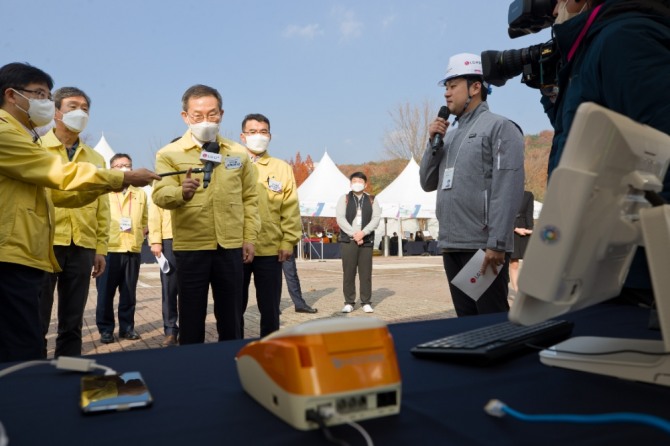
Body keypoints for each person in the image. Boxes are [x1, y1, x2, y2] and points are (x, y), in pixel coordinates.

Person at [0, 62, 159, 362]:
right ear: (12, 95)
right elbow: (58, 174)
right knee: (24, 340)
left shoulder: (79, 152)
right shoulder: (7, 134)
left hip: (44, 249)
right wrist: (122, 177)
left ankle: (58, 378)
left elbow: (58, 196)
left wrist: (109, 188)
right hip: (13, 254)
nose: (45, 103)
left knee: (59, 325)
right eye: (41, 95)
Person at [543, 0, 670, 306]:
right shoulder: (603, 42)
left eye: (556, 1)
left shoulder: (624, 38)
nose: (552, 11)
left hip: (636, 280)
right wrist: (552, 93)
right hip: (613, 274)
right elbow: (581, 137)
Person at [152, 84, 259, 344]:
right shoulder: (169, 154)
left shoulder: (237, 153)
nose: (205, 121)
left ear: (221, 114)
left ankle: (232, 365)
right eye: (198, 116)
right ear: (185, 117)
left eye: (212, 114)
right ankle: (193, 372)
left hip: (230, 246)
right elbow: (159, 195)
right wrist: (181, 193)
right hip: (191, 248)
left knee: (232, 317)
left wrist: (249, 237)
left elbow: (251, 198)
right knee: (191, 318)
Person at [419, 53, 524, 317]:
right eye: (446, 87)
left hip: (483, 247)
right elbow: (427, 182)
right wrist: (432, 143)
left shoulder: (500, 127)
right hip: (452, 244)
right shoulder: (448, 136)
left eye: (453, 85)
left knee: (490, 321)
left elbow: (507, 187)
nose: (446, 93)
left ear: (475, 87)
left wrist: (497, 243)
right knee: (466, 321)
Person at [38, 87, 111, 358]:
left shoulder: (95, 158)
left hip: (82, 245)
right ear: (56, 111)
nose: (80, 112)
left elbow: (103, 206)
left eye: (84, 108)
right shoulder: (37, 149)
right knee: (38, 316)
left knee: (73, 319)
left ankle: (67, 370)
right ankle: (36, 372)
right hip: (43, 244)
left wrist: (101, 248)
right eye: (72, 107)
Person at [239, 113, 302, 336]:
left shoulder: (281, 168)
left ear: (270, 136)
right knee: (233, 308)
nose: (258, 136)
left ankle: (271, 350)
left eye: (263, 132)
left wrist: (288, 241)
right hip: (237, 247)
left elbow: (290, 207)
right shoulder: (232, 164)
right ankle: (233, 349)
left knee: (270, 308)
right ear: (242, 136)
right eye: (252, 132)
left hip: (270, 249)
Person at [95, 154, 148, 344]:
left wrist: (142, 232)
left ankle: (127, 328)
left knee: (128, 293)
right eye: (119, 166)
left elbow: (144, 219)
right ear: (111, 169)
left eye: (128, 165)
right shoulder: (103, 191)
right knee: (105, 294)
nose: (124, 169)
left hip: (132, 249)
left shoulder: (140, 192)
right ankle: (106, 329)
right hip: (109, 249)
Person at [336, 172, 381, 313]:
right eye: (354, 180)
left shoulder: (372, 199)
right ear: (350, 184)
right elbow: (340, 218)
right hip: (349, 241)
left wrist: (363, 233)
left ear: (365, 184)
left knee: (365, 273)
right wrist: (354, 234)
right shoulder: (344, 199)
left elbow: (376, 219)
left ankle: (366, 301)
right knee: (348, 272)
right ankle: (349, 301)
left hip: (366, 241)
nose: (357, 183)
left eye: (360, 181)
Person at [148, 203, 179, 346]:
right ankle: (170, 331)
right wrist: (155, 240)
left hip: (194, 239)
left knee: (193, 288)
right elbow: (155, 212)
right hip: (169, 238)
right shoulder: (163, 180)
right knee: (169, 288)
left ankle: (190, 328)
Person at [509, 191, 534, 294]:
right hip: (509, 229)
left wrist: (531, 229)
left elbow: (529, 213)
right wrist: (514, 228)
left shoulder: (528, 195)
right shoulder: (506, 192)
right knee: (513, 262)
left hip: (524, 229)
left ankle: (529, 289)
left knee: (529, 260)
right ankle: (517, 291)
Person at [282, 245, 317, 313]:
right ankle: (272, 307)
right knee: (273, 279)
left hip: (285, 246)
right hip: (271, 248)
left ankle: (299, 305)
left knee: (292, 277)